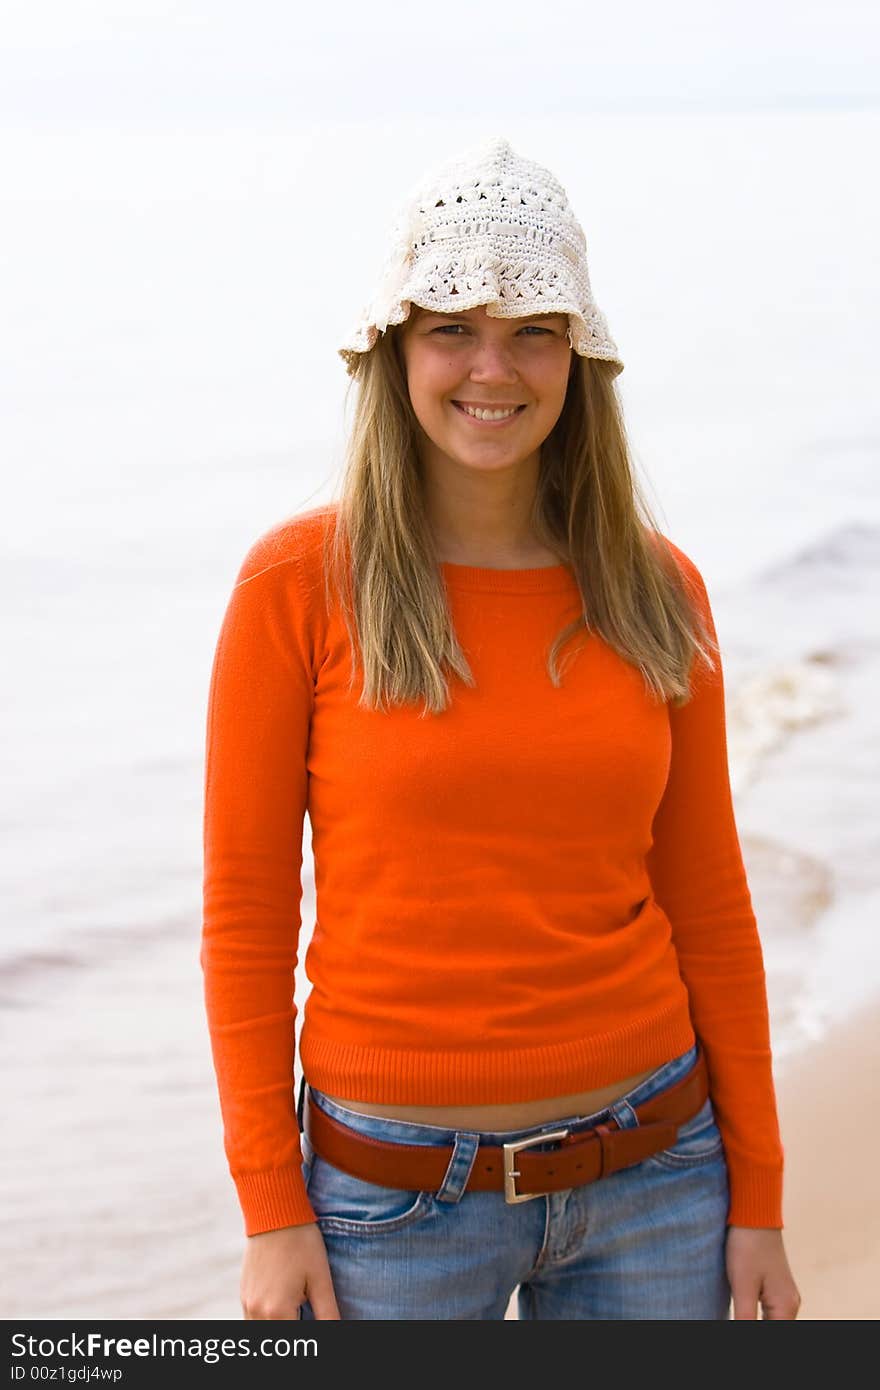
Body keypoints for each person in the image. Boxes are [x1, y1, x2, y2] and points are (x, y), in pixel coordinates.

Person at [200, 136, 801, 1320]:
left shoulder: (654, 588)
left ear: (577, 354)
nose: (493, 366)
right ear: (394, 353)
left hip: (660, 1178)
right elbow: (247, 918)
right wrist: (272, 1209)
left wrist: (760, 1198)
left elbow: (711, 903)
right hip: (392, 1208)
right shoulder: (297, 584)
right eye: (450, 328)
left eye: (532, 328)